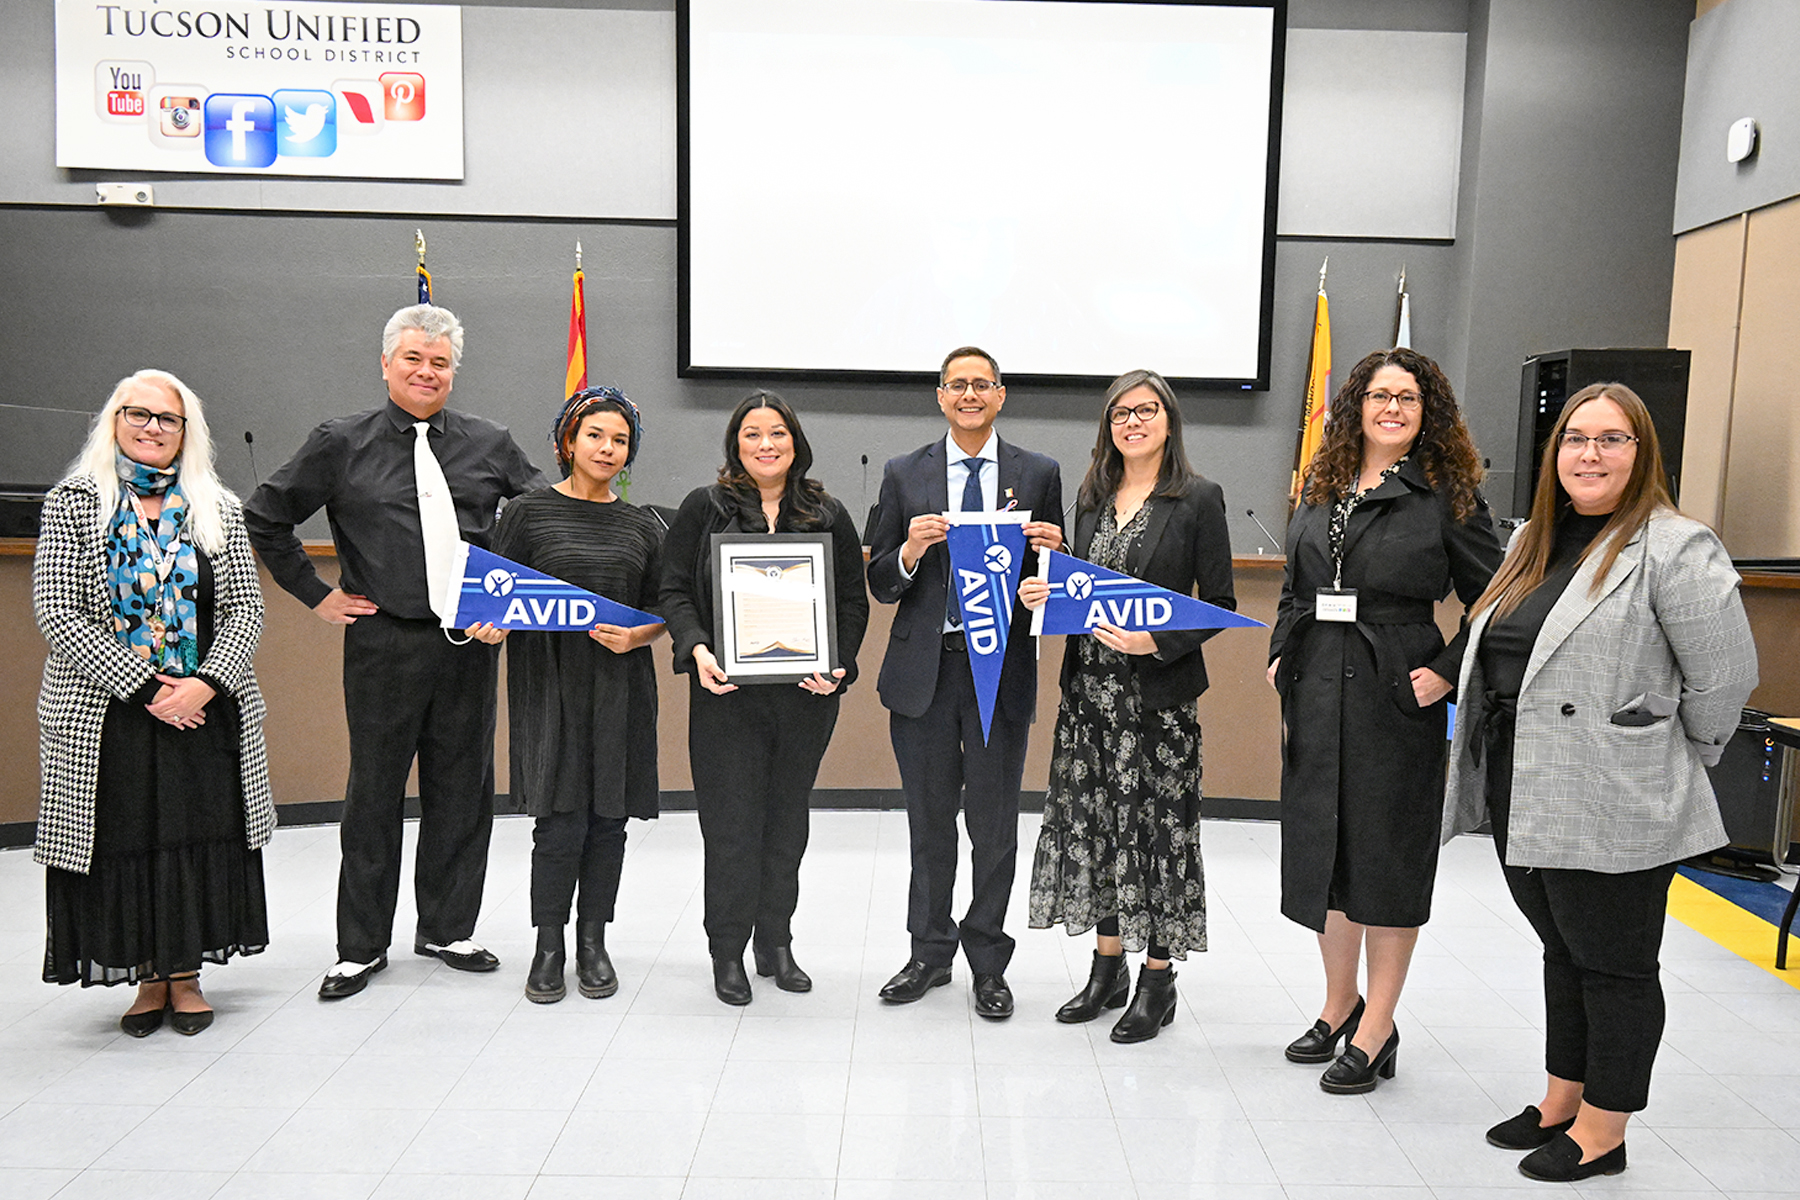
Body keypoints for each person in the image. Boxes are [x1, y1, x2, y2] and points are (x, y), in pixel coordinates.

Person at [1443, 383, 1756, 1183]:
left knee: (1615, 964)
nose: (1590, 454)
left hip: (1617, 790)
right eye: (1576, 439)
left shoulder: (1676, 546)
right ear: (1555, 455)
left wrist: (1666, 757)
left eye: (1612, 440)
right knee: (1562, 949)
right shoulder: (1531, 543)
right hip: (1525, 780)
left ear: (1642, 453)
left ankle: (1605, 1131)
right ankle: (1561, 1099)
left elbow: (1724, 677)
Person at [244, 304, 543, 1000]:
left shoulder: (489, 442)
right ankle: (359, 946)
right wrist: (315, 595)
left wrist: (507, 603)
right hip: (383, 644)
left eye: (439, 362)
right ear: (386, 364)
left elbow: (541, 517)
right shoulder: (339, 443)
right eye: (413, 359)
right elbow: (264, 514)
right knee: (374, 792)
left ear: (454, 371)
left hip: (468, 644)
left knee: (463, 790)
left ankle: (446, 927)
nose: (426, 372)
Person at [1267, 346, 1502, 1091]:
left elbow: (1496, 597)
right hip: (1316, 687)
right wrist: (1281, 650)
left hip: (1395, 692)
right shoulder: (1323, 482)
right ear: (1356, 405)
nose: (1392, 408)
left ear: (1427, 410)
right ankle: (1340, 1005)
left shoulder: (1448, 494)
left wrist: (1447, 671)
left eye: (1407, 397)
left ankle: (1379, 1028)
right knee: (1326, 855)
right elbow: (1293, 584)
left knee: (1386, 861)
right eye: (1378, 395)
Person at [35, 369, 273, 1036]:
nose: (151, 428)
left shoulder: (217, 507)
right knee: (126, 841)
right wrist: (147, 689)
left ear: (185, 432)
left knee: (197, 839)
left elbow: (245, 612)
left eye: (167, 419)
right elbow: (58, 612)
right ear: (113, 421)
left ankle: (187, 975)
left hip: (204, 711)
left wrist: (201, 684)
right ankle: (145, 977)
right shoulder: (75, 503)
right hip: (108, 714)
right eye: (137, 414)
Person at [1020, 370, 1235, 1043]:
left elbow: (1221, 603)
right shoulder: (1091, 498)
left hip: (1158, 707)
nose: (1133, 422)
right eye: (1120, 413)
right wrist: (1043, 594)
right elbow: (1081, 590)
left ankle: (1159, 978)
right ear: (1106, 427)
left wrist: (1157, 639)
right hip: (1088, 699)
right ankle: (1107, 967)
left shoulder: (1198, 498)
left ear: (1169, 420)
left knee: (1157, 837)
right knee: (1098, 831)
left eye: (1146, 410)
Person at [867, 346, 1064, 1019]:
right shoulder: (903, 473)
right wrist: (912, 550)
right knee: (929, 824)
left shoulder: (1038, 473)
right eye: (958, 384)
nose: (970, 394)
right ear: (941, 395)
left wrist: (1055, 556)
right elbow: (879, 580)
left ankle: (988, 963)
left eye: (982, 384)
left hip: (999, 673)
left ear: (1001, 395)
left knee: (994, 826)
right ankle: (929, 952)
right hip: (924, 674)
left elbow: (1054, 582)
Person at [660, 391, 869, 1006]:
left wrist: (839, 664)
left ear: (795, 442)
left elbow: (852, 603)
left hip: (807, 697)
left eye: (776, 433)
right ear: (735, 445)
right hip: (727, 698)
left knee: (786, 824)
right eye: (752, 434)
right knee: (730, 828)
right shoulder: (704, 508)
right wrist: (697, 650)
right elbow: (674, 591)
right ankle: (728, 950)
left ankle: (775, 942)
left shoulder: (827, 513)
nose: (765, 445)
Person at [469, 387, 665, 1004]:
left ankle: (592, 941)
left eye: (620, 440)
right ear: (568, 442)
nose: (608, 449)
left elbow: (667, 607)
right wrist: (488, 621)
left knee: (609, 821)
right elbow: (491, 595)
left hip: (620, 685)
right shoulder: (525, 513)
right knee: (558, 823)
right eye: (595, 436)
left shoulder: (644, 522)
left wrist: (641, 634)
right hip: (547, 683)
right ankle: (548, 944)